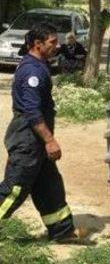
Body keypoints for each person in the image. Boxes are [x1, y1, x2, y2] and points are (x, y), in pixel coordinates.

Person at [0, 23, 80, 240]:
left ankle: (62, 231)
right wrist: (49, 140)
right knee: (15, 188)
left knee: (49, 187)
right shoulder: (32, 71)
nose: (58, 45)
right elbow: (32, 111)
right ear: (37, 44)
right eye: (52, 42)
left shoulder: (38, 65)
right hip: (28, 139)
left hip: (36, 140)